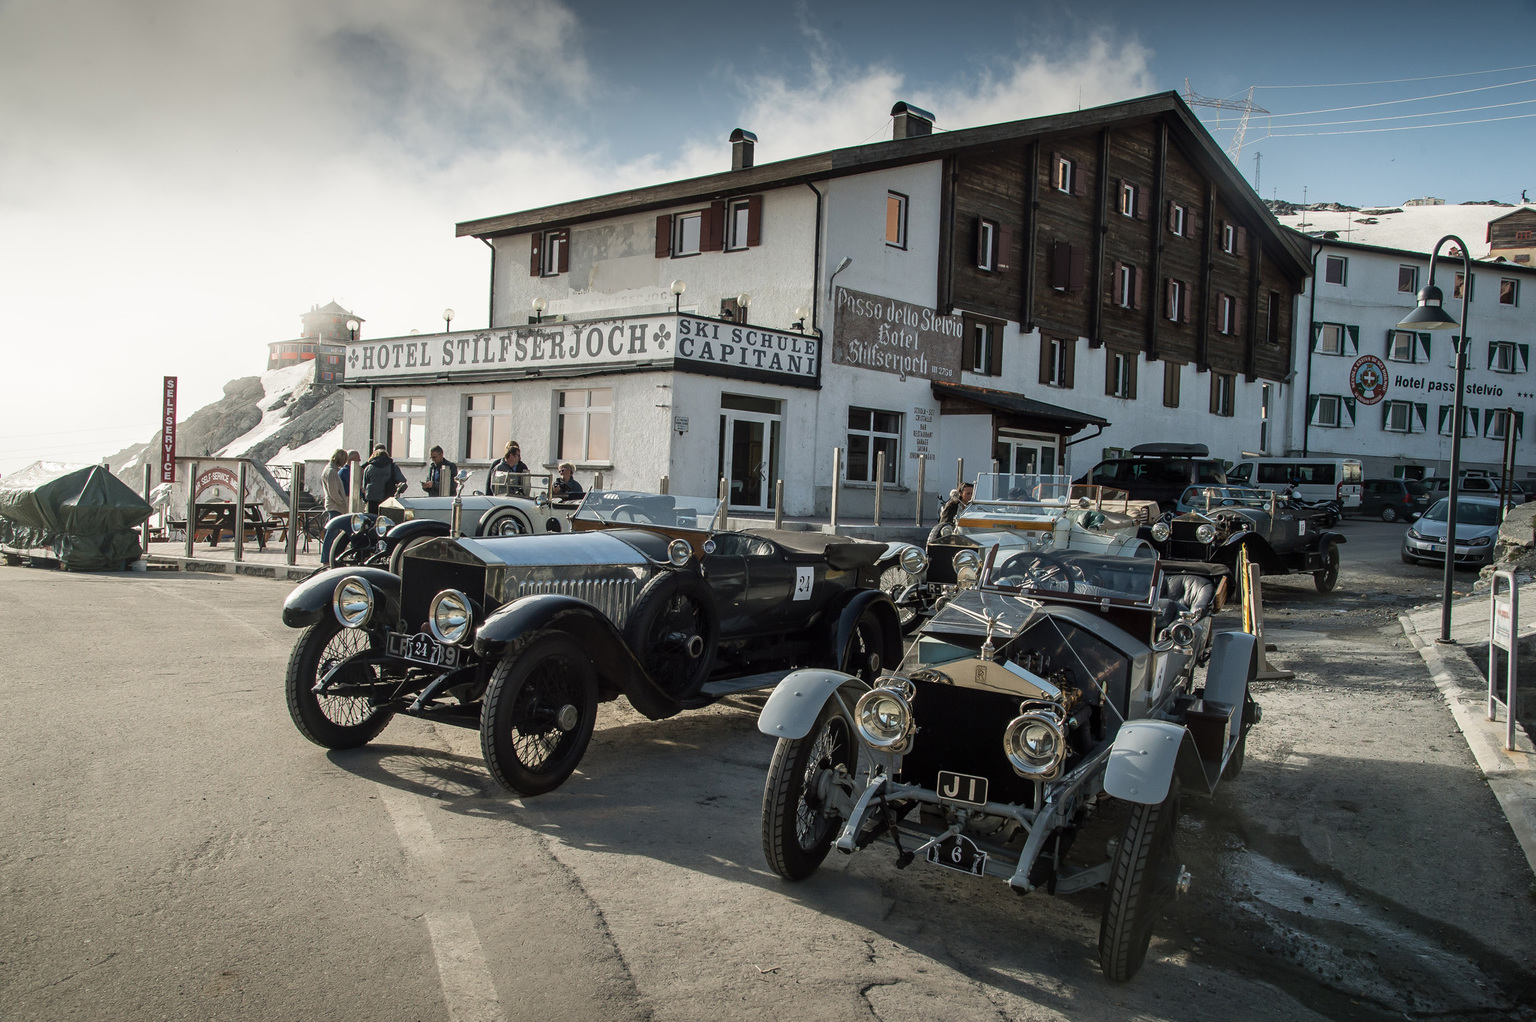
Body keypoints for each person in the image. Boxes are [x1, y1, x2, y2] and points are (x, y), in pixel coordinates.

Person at [361, 444, 407, 515]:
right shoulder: (392, 467)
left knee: (372, 520)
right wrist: (399, 490)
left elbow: (364, 486)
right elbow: (402, 482)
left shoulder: (368, 468)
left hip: (372, 501)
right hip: (388, 500)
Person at [321, 449, 348, 516]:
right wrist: (342, 503)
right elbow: (333, 492)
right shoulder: (331, 472)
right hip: (335, 507)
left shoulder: (330, 469)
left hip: (334, 506)